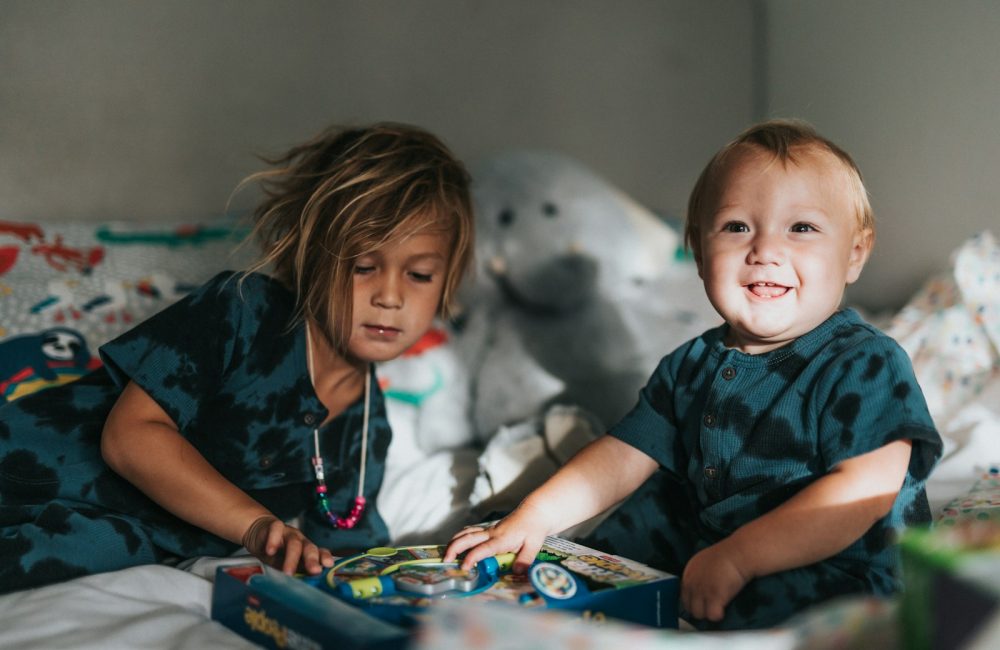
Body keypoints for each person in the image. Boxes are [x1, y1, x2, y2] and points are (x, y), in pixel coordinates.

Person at [445, 119, 942, 630]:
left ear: (854, 253)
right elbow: (621, 456)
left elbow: (861, 494)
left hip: (846, 566)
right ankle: (575, 594)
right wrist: (534, 517)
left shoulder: (865, 363)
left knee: (767, 610)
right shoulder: (691, 363)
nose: (766, 250)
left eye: (802, 228)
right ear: (700, 255)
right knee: (634, 517)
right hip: (716, 532)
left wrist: (740, 557)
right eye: (737, 227)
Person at [0, 122, 474, 594]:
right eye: (364, 267)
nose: (390, 296)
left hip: (107, 543)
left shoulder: (366, 426)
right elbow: (130, 437)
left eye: (419, 275)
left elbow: (347, 555)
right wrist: (255, 527)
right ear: (311, 257)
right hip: (32, 466)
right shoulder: (243, 310)